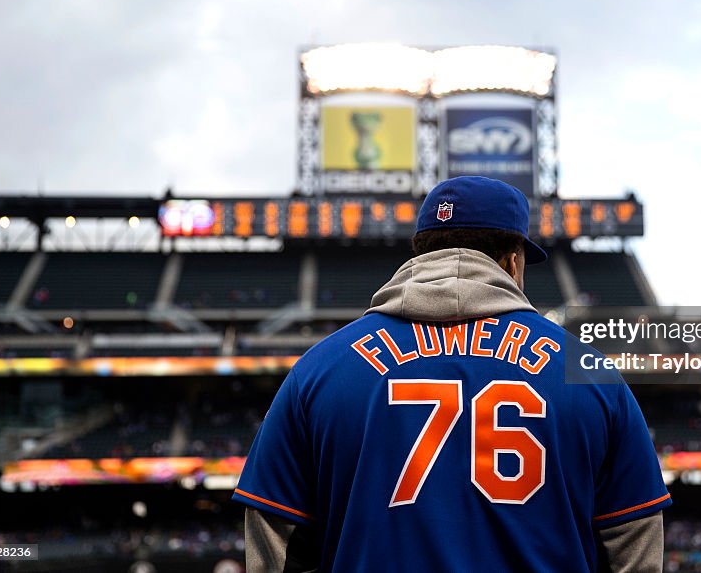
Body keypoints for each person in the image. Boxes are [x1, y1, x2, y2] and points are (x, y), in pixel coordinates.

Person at [233, 176, 671, 572]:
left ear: (421, 253)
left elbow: (277, 536)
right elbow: (633, 542)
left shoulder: (319, 369)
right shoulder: (590, 372)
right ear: (512, 262)